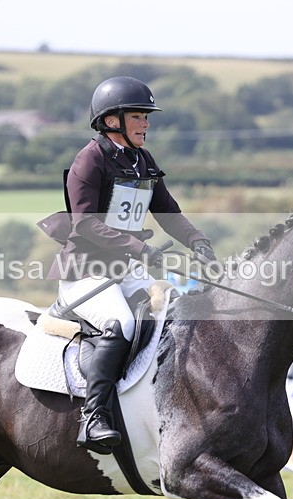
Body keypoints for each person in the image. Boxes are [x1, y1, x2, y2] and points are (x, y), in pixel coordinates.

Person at [40, 76, 216, 454]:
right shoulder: (90, 159)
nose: (146, 124)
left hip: (126, 269)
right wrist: (136, 247)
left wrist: (197, 239)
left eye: (146, 117)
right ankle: (94, 416)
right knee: (121, 323)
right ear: (111, 120)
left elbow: (168, 213)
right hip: (85, 271)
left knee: (175, 313)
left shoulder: (141, 160)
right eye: (138, 116)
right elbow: (85, 221)